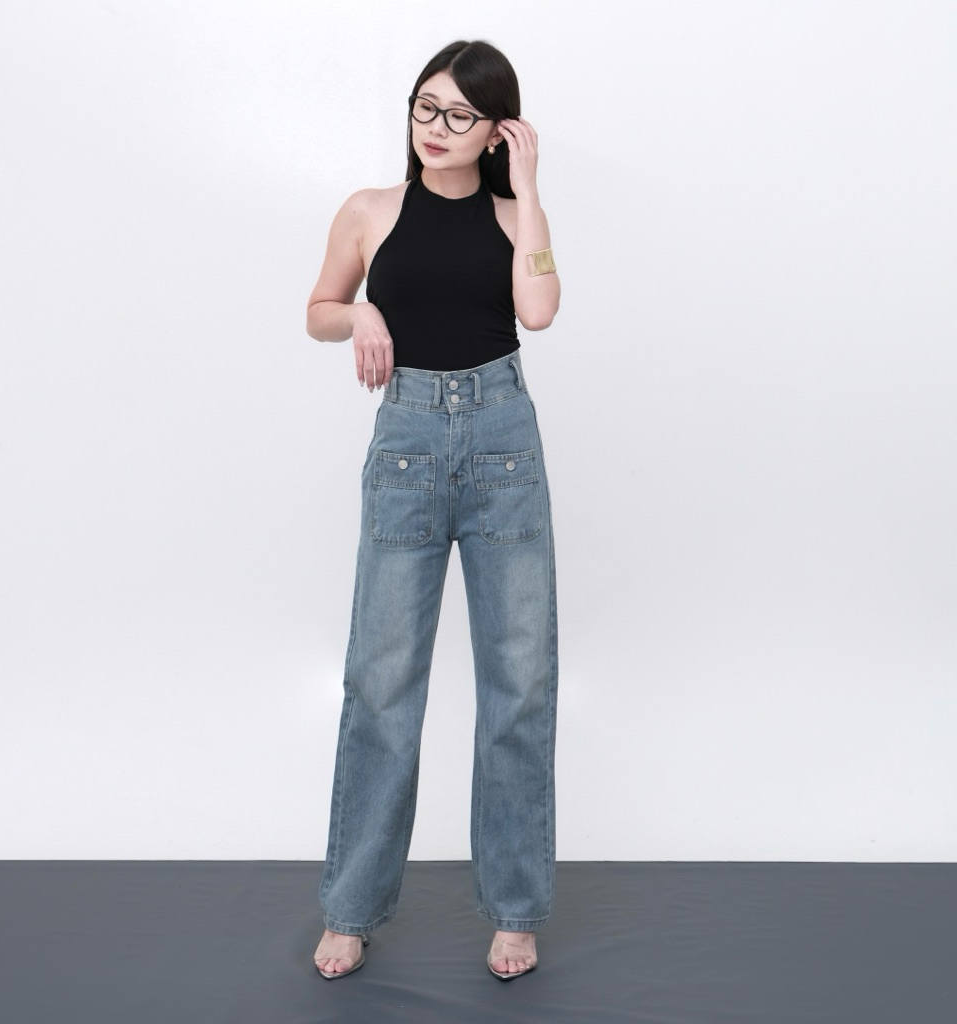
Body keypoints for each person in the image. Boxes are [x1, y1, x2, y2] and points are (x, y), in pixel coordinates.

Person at [305, 38, 560, 981]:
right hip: (407, 441)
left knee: (519, 685)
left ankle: (516, 911)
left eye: (459, 114)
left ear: (496, 130)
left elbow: (539, 310)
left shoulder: (512, 215)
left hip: (502, 443)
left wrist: (528, 188)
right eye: (425, 107)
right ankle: (351, 908)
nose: (435, 128)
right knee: (381, 685)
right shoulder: (370, 210)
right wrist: (362, 314)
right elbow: (319, 308)